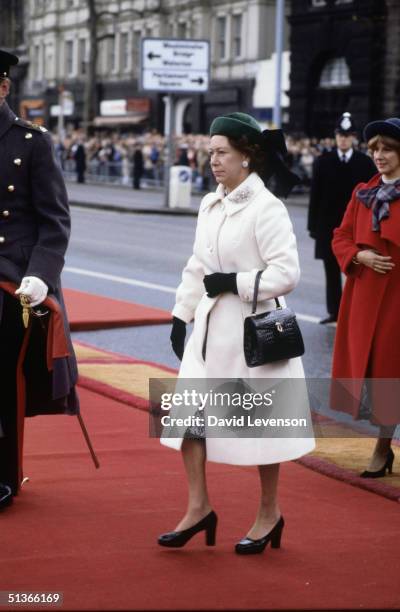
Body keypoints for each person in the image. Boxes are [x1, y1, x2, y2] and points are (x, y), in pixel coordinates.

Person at [158, 112, 315, 554]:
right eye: (210, 152)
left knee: (262, 427)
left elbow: (287, 273)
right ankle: (198, 507)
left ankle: (270, 514)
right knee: (187, 420)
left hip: (254, 334)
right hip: (209, 331)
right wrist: (180, 312)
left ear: (247, 156)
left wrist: (235, 283)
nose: (213, 161)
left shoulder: (267, 208)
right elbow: (197, 265)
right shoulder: (212, 204)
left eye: (222, 152)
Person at [0, 50, 79, 511]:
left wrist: (40, 276)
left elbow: (55, 221)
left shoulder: (31, 143)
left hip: (12, 284)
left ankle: (4, 476)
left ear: (4, 88)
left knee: (2, 382)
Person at [331, 117, 400, 478]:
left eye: (387, 149)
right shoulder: (363, 193)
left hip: (397, 298)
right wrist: (360, 255)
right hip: (364, 296)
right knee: (376, 372)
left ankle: (381, 446)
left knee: (391, 369)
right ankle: (383, 445)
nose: (379, 155)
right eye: (374, 149)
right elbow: (340, 236)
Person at [308, 112, 376, 324]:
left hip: (356, 226)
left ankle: (354, 312)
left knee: (355, 271)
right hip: (328, 225)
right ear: (336, 136)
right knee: (331, 270)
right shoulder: (323, 162)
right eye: (340, 135)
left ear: (353, 137)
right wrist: (313, 226)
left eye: (347, 135)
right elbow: (315, 196)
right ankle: (334, 312)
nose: (343, 139)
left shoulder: (364, 163)